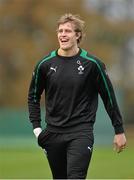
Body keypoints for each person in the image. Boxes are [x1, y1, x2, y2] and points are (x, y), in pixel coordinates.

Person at [28, 13, 127, 179]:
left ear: (78, 35)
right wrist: (37, 129)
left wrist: (119, 130)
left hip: (81, 132)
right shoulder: (44, 64)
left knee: (75, 177)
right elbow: (33, 97)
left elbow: (109, 97)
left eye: (68, 31)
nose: (63, 34)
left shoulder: (93, 64)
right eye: (60, 31)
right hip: (52, 133)